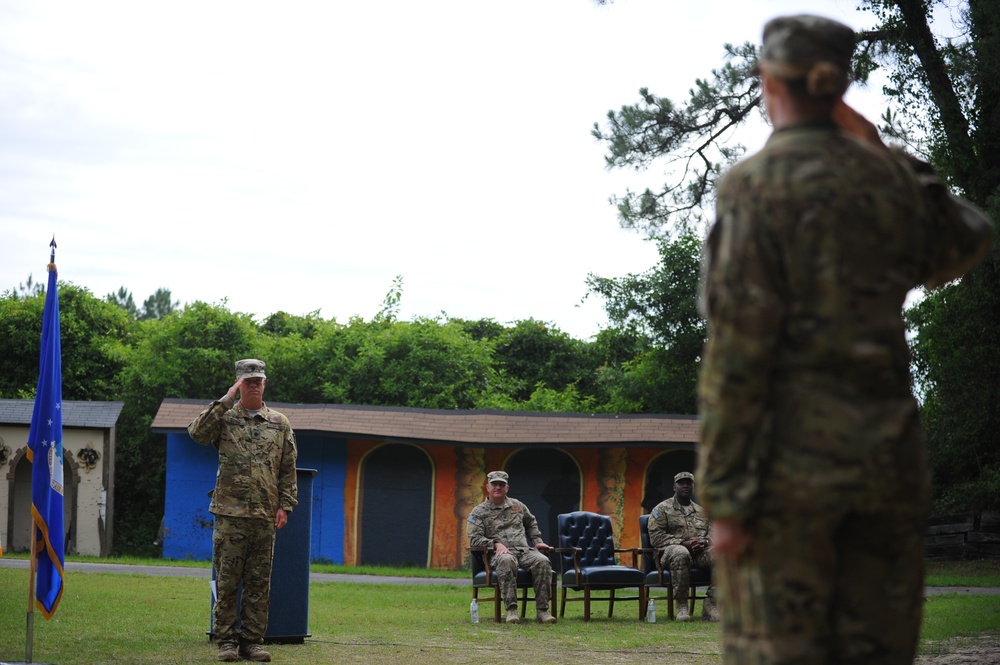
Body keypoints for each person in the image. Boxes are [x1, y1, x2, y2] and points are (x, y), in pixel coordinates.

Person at [697, 14, 993, 665]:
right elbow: (969, 234)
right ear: (841, 86)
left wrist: (724, 496)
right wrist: (882, 148)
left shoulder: (753, 187)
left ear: (768, 79)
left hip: (786, 481)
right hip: (886, 469)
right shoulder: (886, 184)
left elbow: (738, 353)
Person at [188, 359, 298, 663]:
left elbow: (288, 468)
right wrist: (226, 399)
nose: (253, 385)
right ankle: (226, 641)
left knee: (259, 583)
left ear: (264, 384)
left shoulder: (279, 422)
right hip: (230, 515)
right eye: (247, 381)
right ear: (238, 384)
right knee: (227, 580)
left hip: (264, 516)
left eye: (257, 381)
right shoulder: (225, 418)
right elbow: (197, 433)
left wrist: (285, 505)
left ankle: (252, 642)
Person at [467, 470, 557, 624]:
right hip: (497, 556)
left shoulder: (518, 506)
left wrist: (536, 540)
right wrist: (495, 544)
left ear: (507, 488)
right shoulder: (479, 512)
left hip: (523, 551)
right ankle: (511, 610)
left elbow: (531, 523)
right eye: (494, 484)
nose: (498, 487)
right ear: (487, 487)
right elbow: (474, 539)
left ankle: (543, 611)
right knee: (507, 560)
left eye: (501, 485)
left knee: (542, 561)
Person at [647, 471, 717, 622]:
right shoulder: (661, 509)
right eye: (681, 483)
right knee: (681, 552)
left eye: (689, 483)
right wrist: (682, 543)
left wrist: (704, 542)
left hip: (699, 554)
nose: (685, 486)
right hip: (670, 553)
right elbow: (656, 537)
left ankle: (711, 604)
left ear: (693, 487)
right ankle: (682, 605)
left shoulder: (702, 511)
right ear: (674, 486)